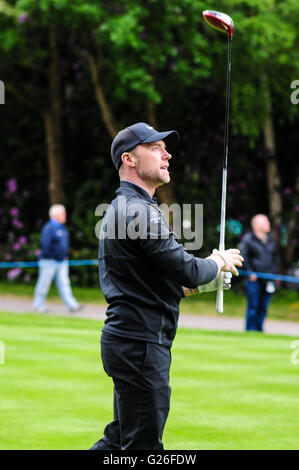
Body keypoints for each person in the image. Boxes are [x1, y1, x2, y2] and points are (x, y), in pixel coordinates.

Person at [90, 122, 243, 450]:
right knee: (143, 447)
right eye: (156, 148)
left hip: (132, 342)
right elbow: (188, 269)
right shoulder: (137, 212)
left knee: (119, 440)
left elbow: (150, 282)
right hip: (140, 344)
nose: (167, 155)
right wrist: (217, 261)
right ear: (129, 159)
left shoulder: (132, 208)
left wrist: (201, 285)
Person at [33, 204, 83, 313]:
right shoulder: (49, 228)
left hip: (62, 262)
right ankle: (38, 305)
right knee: (44, 284)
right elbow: (45, 245)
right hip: (49, 262)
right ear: (55, 215)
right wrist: (53, 257)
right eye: (62, 213)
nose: (65, 215)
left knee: (65, 284)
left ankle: (72, 305)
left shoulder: (62, 228)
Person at [241, 214, 278, 332]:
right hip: (254, 280)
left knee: (263, 307)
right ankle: (250, 330)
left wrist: (273, 273)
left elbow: (275, 259)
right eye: (265, 222)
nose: (268, 224)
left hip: (268, 279)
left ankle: (259, 330)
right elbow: (244, 257)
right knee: (253, 306)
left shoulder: (271, 239)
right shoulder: (248, 239)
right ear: (257, 225)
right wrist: (250, 273)